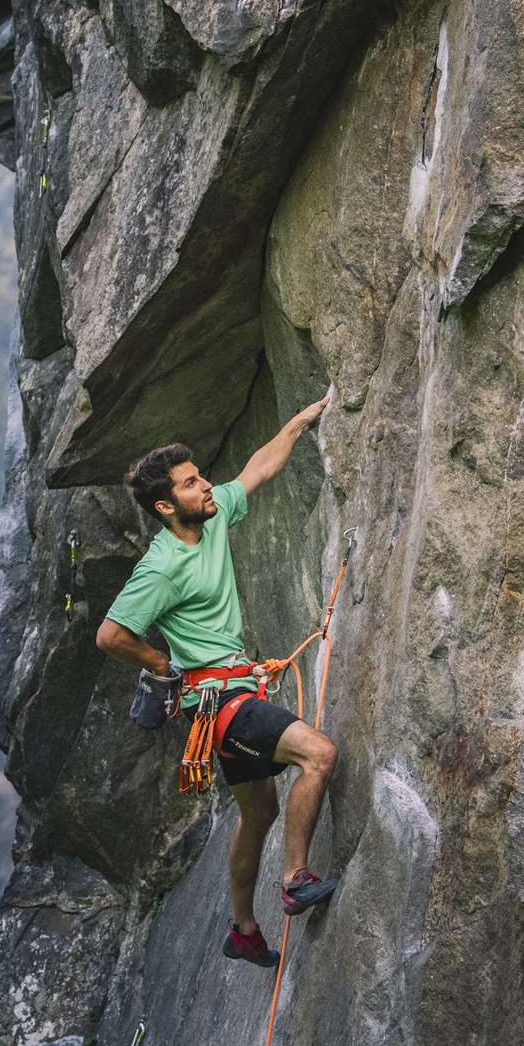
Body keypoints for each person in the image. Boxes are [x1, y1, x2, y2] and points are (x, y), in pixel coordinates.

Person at [94, 399, 337, 969]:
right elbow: (110, 635)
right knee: (320, 756)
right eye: (191, 482)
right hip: (220, 706)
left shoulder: (213, 513)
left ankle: (244, 931)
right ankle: (294, 879)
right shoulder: (160, 567)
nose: (206, 485)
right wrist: (162, 665)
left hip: (234, 696)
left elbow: (258, 469)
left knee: (259, 815)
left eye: (201, 475)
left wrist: (300, 423)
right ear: (164, 505)